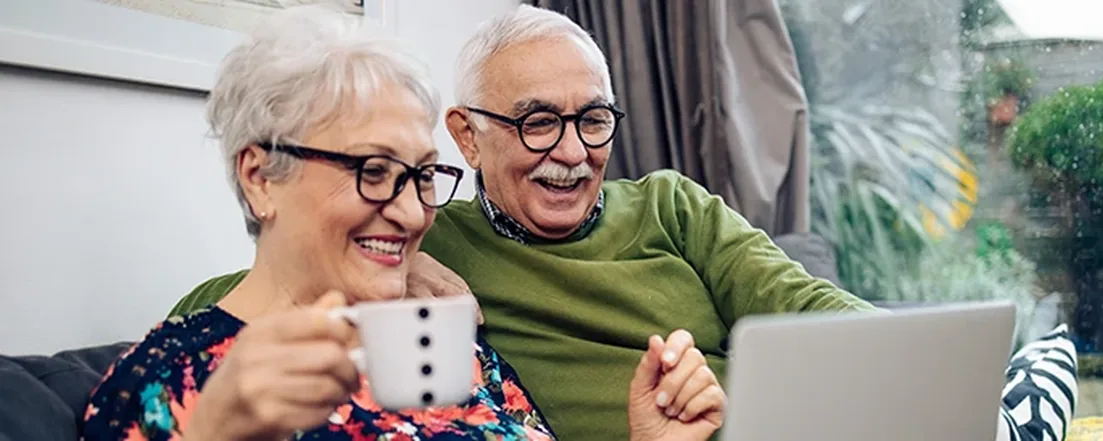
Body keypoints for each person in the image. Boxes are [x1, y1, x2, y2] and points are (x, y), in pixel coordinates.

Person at [170, 4, 873, 441]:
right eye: (538, 122)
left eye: (592, 119)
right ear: (468, 138)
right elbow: (252, 300)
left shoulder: (672, 207)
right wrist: (397, 259)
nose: (571, 152)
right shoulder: (424, 253)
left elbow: (821, 313)